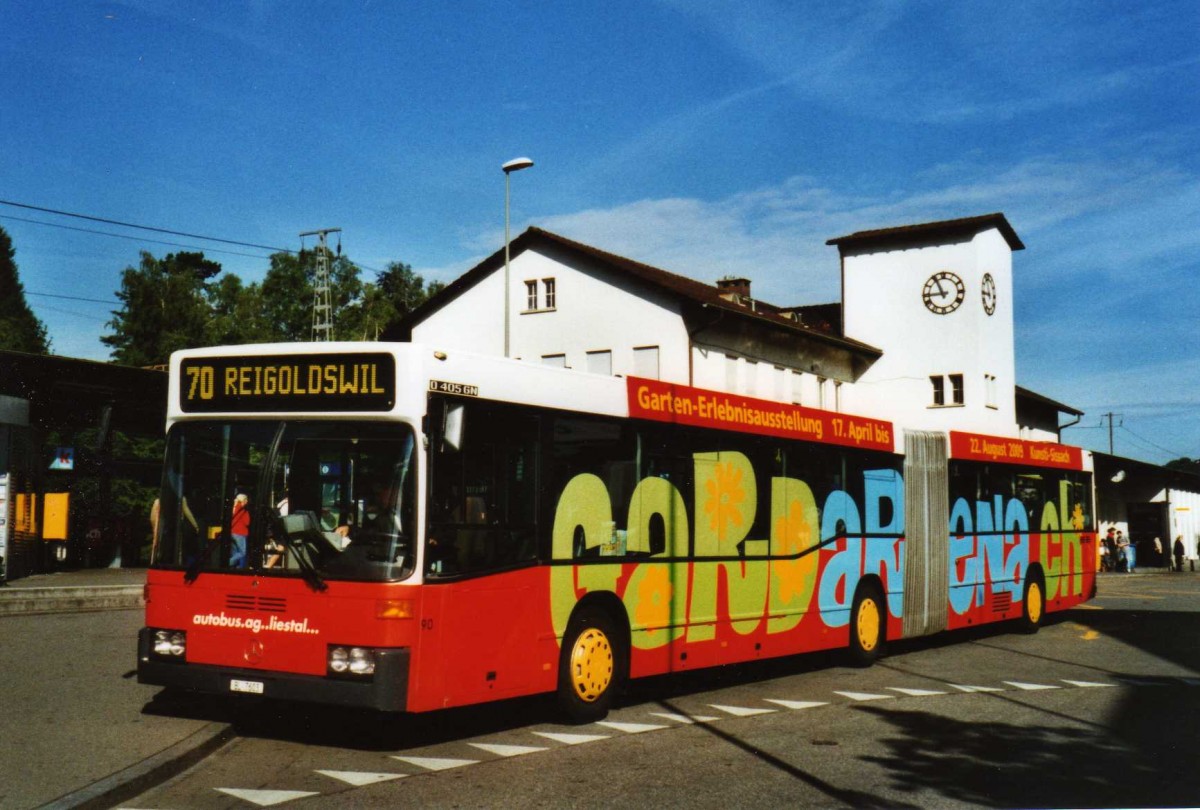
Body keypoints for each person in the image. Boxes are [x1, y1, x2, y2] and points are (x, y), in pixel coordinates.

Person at [230, 493, 250, 568]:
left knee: (235, 552)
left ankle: (234, 567)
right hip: (240, 533)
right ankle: (229, 562)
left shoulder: (234, 508)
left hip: (232, 532)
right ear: (243, 500)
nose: (247, 501)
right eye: (246, 500)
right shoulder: (243, 510)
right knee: (242, 553)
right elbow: (247, 522)